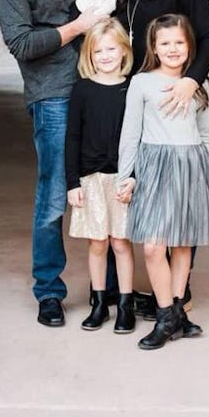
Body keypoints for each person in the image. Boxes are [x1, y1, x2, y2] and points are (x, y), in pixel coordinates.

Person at [0, 0, 101, 328]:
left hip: (94, 88)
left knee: (103, 185)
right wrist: (76, 27)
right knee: (55, 192)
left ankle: (109, 286)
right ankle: (49, 292)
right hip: (53, 96)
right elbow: (22, 43)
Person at [109, 0, 209, 313]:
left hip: (175, 93)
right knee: (135, 185)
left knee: (181, 195)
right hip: (132, 91)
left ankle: (179, 293)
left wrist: (191, 80)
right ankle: (118, 290)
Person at [117, 14, 209, 350]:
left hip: (191, 165)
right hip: (155, 166)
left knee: (183, 244)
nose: (172, 49)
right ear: (154, 48)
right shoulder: (142, 83)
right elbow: (130, 133)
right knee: (153, 246)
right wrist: (125, 176)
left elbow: (207, 136)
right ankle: (165, 315)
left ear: (189, 46)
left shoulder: (200, 84)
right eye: (165, 43)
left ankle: (176, 311)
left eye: (179, 42)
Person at [65, 18, 135, 333]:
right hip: (90, 178)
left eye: (111, 49)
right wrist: (72, 182)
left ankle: (125, 304)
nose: (105, 56)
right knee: (97, 243)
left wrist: (134, 177)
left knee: (121, 242)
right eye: (98, 51)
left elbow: (140, 137)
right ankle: (98, 303)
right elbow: (72, 138)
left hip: (121, 177)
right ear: (89, 55)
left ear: (123, 51)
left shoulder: (132, 88)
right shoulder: (82, 90)